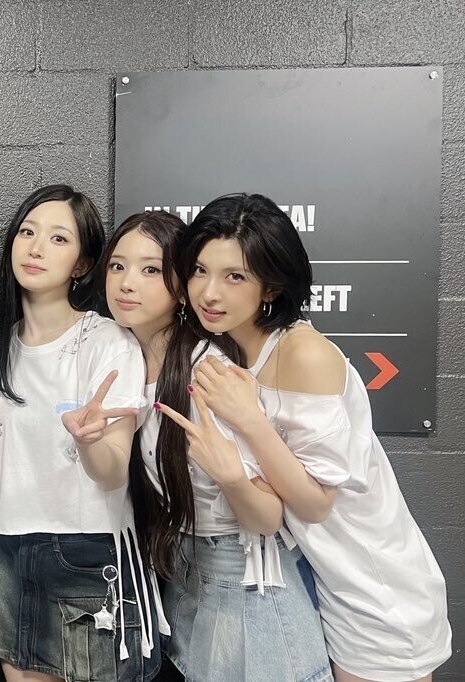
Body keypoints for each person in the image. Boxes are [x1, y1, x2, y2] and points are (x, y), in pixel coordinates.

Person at [179, 192, 451, 682]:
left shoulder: (303, 353)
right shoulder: (236, 352)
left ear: (270, 286)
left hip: (370, 584)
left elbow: (315, 503)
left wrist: (250, 421)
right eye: (200, 270)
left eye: (234, 276)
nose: (209, 293)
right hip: (315, 577)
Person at [105, 210, 331, 681]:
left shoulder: (207, 370)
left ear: (178, 287)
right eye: (118, 265)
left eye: (150, 270)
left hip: (241, 575)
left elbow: (268, 517)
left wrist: (231, 476)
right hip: (185, 566)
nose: (127, 283)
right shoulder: (128, 360)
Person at [0, 185, 159, 682]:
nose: (36, 248)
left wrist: (89, 441)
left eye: (58, 238)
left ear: (82, 263)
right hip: (9, 546)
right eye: (27, 232)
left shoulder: (108, 342)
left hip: (88, 549)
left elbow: (112, 473)